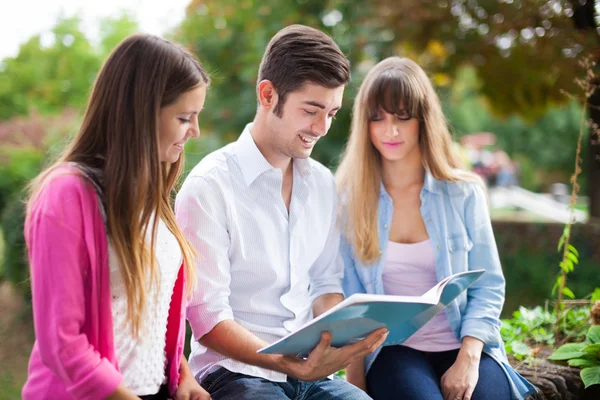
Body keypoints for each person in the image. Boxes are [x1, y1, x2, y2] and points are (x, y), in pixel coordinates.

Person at [175, 24, 387, 400]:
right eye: (311, 110)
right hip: (232, 373)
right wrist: (287, 363)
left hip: (310, 374)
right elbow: (207, 320)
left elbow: (324, 285)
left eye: (333, 113)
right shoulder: (209, 186)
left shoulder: (322, 184)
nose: (322, 128)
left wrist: (345, 335)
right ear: (268, 94)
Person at [22, 34, 211, 400]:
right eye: (184, 117)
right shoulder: (66, 195)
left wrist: (182, 373)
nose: (195, 131)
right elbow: (62, 343)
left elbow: (148, 313)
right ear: (140, 113)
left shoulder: (149, 194)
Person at [335, 57, 537, 400]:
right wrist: (356, 381)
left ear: (423, 120)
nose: (391, 131)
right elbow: (352, 304)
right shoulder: (348, 200)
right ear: (364, 125)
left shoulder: (464, 192)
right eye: (378, 118)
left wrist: (469, 358)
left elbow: (488, 285)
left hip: (465, 344)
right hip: (394, 352)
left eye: (403, 117)